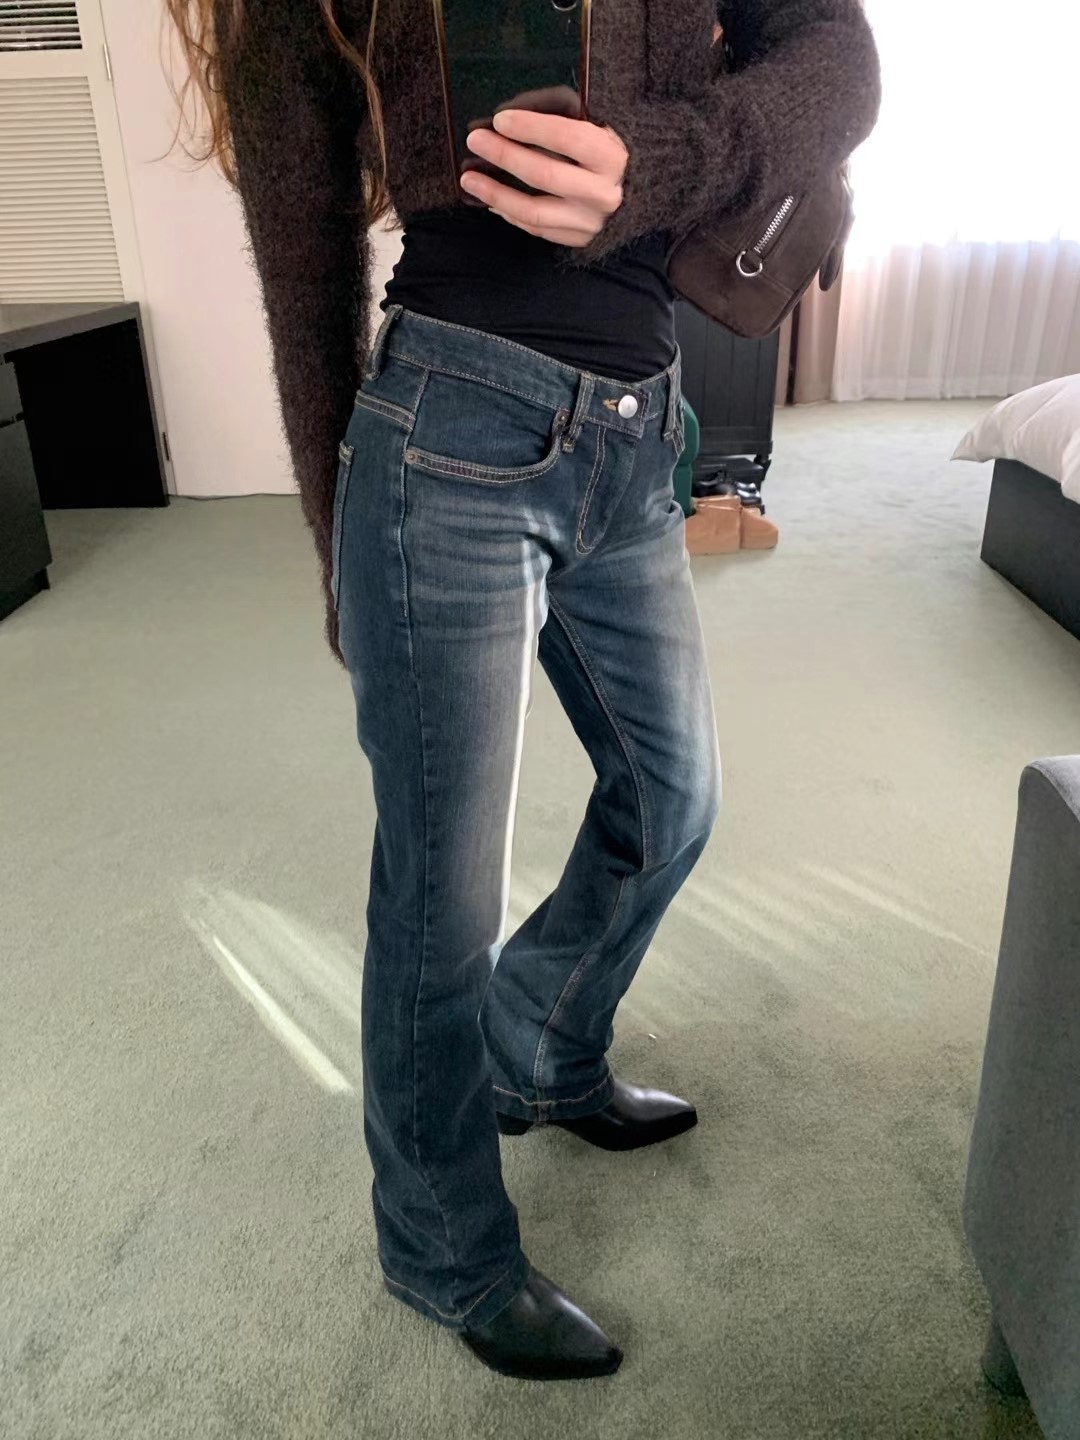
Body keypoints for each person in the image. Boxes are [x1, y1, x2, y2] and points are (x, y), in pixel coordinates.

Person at [167, 0, 879, 1382]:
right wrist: (340, 541)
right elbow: (305, 270)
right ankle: (442, 1248)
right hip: (449, 439)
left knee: (674, 797)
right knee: (441, 902)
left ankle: (543, 1046)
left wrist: (661, 163)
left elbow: (839, 63)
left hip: (640, 428)